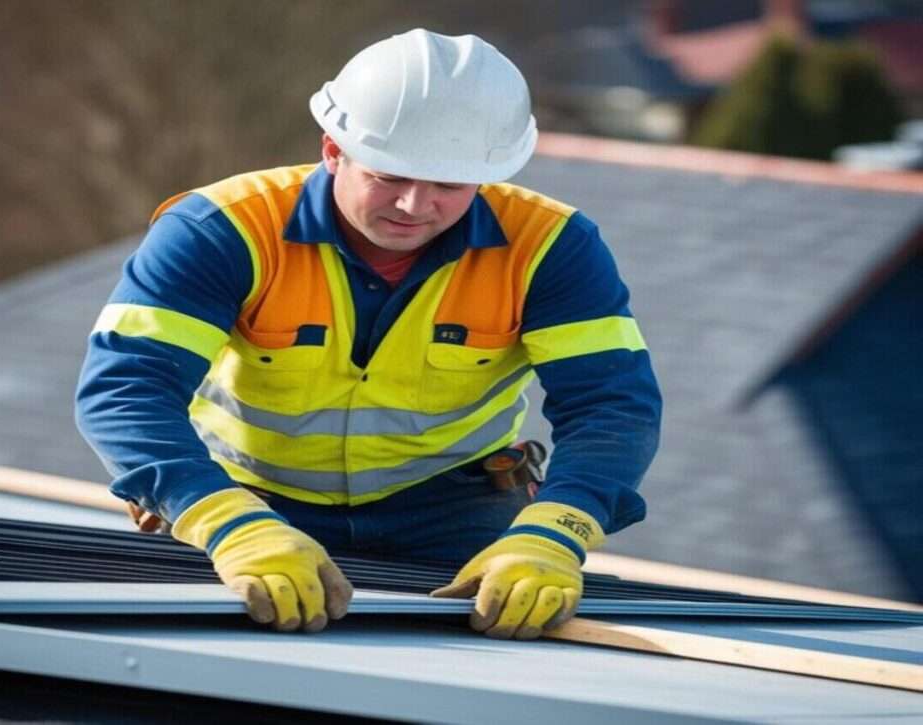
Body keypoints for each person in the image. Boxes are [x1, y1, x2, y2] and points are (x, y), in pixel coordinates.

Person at [75, 28, 661, 640]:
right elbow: (125, 388)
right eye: (389, 176)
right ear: (333, 150)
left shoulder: (551, 248)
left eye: (448, 186)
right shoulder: (221, 229)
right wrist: (225, 523)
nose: (414, 205)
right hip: (251, 506)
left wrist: (554, 534)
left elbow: (613, 406)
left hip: (455, 508)